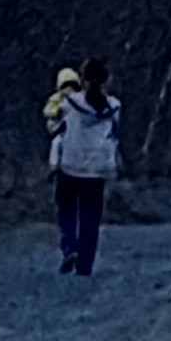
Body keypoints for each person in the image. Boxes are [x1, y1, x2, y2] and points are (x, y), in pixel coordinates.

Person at [43, 64, 121, 275]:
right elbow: (115, 133)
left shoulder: (69, 104)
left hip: (71, 166)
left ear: (83, 80)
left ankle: (69, 246)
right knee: (91, 218)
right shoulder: (114, 106)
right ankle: (85, 266)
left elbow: (54, 128)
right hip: (98, 168)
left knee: (66, 207)